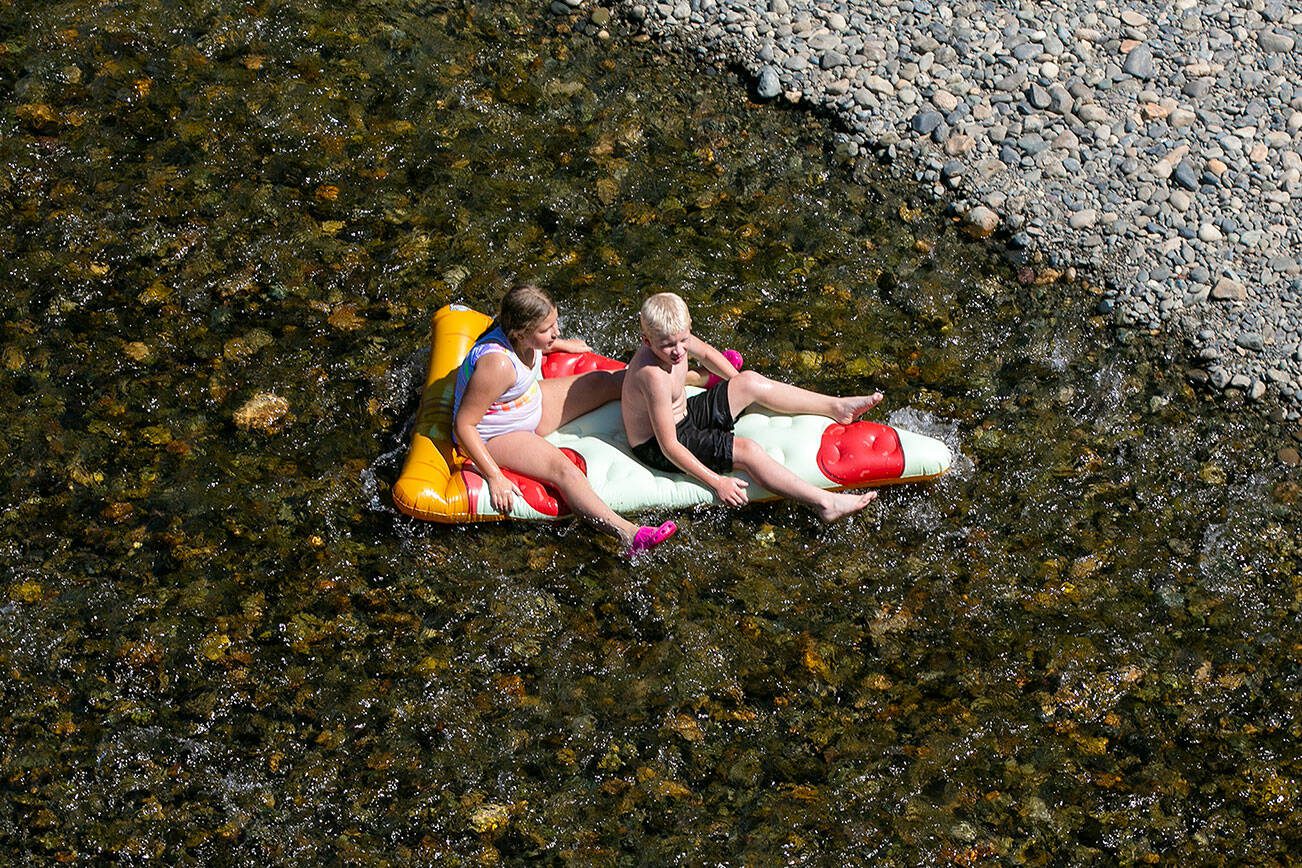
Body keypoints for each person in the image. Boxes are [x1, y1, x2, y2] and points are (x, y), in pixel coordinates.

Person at [453, 284, 677, 556]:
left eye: (554, 323)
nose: (556, 331)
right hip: (496, 434)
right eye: (547, 330)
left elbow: (536, 344)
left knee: (605, 381)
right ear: (521, 334)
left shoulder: (519, 334)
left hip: (525, 403)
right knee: (565, 470)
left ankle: (693, 378)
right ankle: (630, 535)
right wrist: (494, 476)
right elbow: (464, 425)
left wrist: (560, 345)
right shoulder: (497, 366)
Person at [621, 292, 882, 522]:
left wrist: (738, 387)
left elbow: (710, 356)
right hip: (657, 444)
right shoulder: (652, 375)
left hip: (684, 414)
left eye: (683, 341)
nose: (678, 351)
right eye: (668, 346)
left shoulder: (677, 336)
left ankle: (836, 407)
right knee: (748, 450)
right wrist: (717, 482)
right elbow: (670, 445)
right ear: (647, 341)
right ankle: (825, 503)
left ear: (688, 328)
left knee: (750, 380)